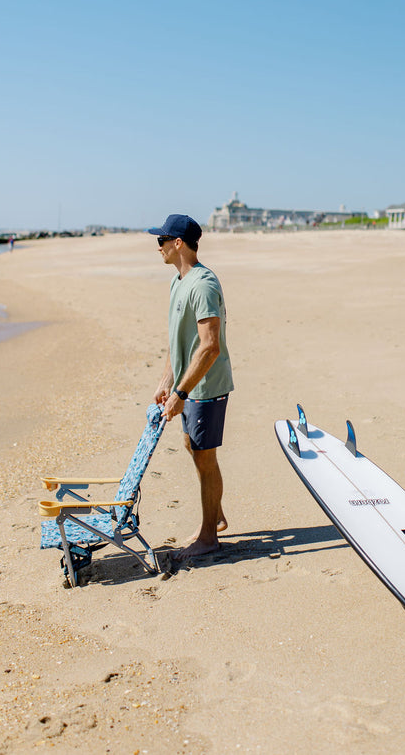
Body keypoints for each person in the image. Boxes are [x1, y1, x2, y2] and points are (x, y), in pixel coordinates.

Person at [149, 214, 234, 561]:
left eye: (162, 240)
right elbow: (178, 338)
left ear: (178, 243)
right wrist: (167, 381)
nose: (158, 247)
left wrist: (182, 394)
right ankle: (215, 514)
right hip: (188, 385)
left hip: (207, 386)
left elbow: (210, 345)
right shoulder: (178, 281)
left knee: (204, 456)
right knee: (193, 448)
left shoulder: (203, 284)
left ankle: (209, 536)